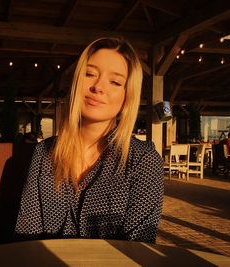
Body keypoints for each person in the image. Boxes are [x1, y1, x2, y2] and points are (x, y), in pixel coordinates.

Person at [14, 37, 164, 243]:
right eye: (90, 74)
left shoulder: (143, 161)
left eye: (115, 81)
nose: (98, 87)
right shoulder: (44, 153)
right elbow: (26, 236)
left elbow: (138, 249)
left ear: (127, 96)